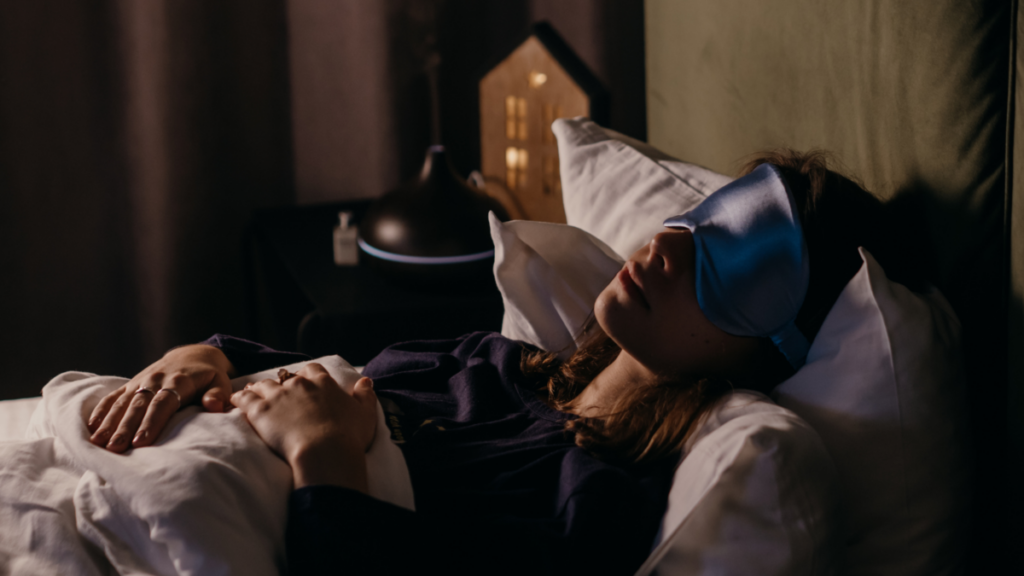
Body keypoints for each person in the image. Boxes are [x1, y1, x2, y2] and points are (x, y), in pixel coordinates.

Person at [84, 150, 898, 575]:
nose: (665, 248)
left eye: (737, 265)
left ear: (781, 344)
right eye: (692, 221)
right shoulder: (494, 360)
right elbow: (288, 366)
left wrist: (324, 454)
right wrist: (194, 359)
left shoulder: (597, 501)